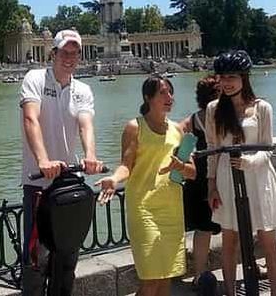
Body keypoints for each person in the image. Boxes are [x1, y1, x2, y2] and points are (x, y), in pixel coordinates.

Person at [20, 29, 104, 296]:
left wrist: (90, 154)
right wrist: (43, 159)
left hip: (69, 182)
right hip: (39, 183)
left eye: (75, 53)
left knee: (67, 256)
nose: (70, 57)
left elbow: (85, 124)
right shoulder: (34, 79)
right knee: (37, 257)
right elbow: (30, 119)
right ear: (53, 53)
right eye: (65, 52)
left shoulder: (83, 89)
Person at [96, 75, 195, 296]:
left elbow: (192, 171)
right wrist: (114, 179)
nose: (169, 97)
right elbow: (126, 166)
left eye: (170, 92)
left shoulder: (178, 131)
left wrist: (180, 166)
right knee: (150, 280)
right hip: (144, 208)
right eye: (162, 92)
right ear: (147, 97)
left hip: (171, 209)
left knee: (166, 279)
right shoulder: (135, 127)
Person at [206, 50, 276, 296]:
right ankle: (230, 292)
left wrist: (250, 161)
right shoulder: (213, 109)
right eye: (223, 77)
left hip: (258, 176)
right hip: (227, 178)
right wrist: (211, 185)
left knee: (268, 241)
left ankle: (275, 293)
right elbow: (212, 149)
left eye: (232, 76)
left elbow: (268, 147)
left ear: (244, 77)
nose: (227, 82)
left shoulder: (262, 108)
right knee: (229, 241)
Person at [178, 74, 222, 284]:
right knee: (235, 225)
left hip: (199, 181)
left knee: (202, 230)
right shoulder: (225, 118)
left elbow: (180, 152)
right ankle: (248, 265)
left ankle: (198, 276)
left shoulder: (190, 122)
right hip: (222, 177)